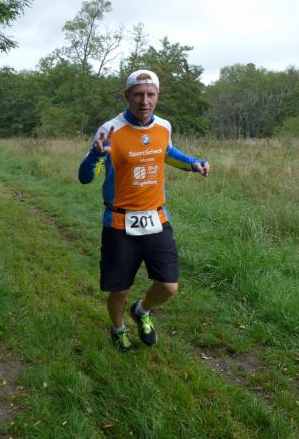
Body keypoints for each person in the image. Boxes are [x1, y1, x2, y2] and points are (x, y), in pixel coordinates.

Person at [78, 69, 210, 352]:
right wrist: (95, 156)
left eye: (150, 94)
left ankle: (141, 311)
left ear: (158, 96)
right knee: (119, 290)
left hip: (156, 218)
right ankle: (118, 329)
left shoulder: (163, 126)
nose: (144, 101)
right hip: (119, 221)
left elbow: (167, 152)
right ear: (127, 96)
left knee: (169, 286)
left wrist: (193, 162)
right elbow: (85, 178)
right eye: (138, 95)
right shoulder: (110, 130)